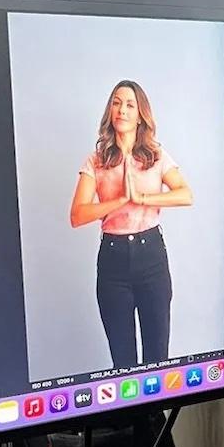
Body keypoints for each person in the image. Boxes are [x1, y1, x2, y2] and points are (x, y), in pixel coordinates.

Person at [70, 79, 193, 368]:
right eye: (116, 103)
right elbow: (77, 215)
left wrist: (143, 198)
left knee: (157, 359)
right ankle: (130, 415)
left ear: (140, 115)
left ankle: (153, 415)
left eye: (129, 104)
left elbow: (186, 194)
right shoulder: (97, 161)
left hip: (151, 256)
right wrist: (120, 201)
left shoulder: (156, 156)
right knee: (123, 362)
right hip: (113, 261)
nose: (121, 110)